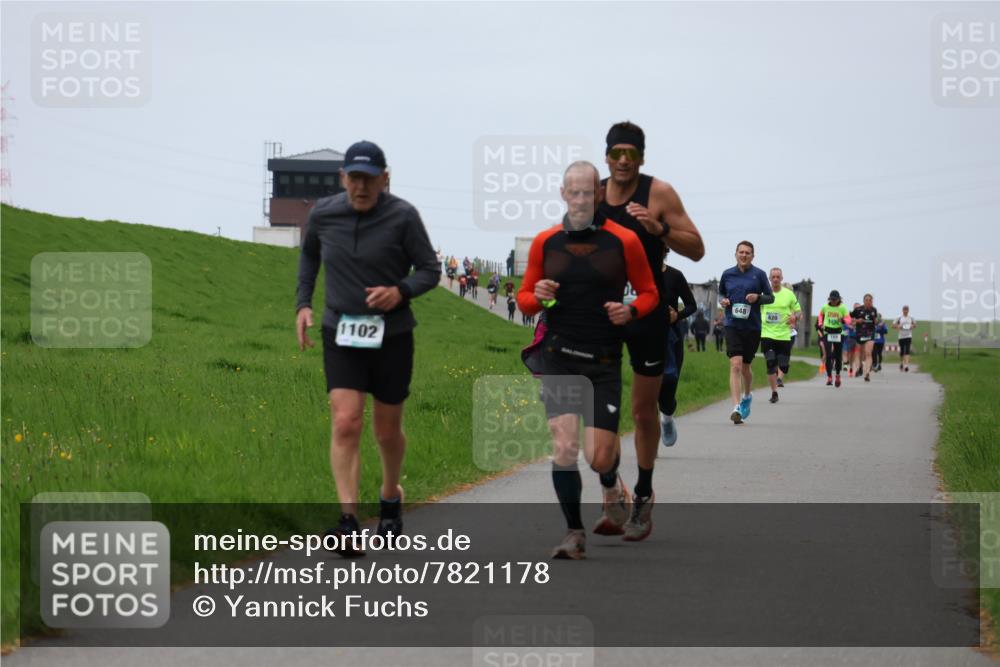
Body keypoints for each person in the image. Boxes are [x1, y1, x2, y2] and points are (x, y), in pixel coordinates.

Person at [296, 140, 439, 557]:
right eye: (354, 178)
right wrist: (303, 305)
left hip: (392, 337)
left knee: (386, 430)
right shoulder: (323, 214)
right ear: (343, 178)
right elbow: (309, 258)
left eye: (369, 179)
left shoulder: (403, 216)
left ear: (385, 179)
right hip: (340, 332)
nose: (361, 187)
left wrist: (400, 292)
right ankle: (348, 521)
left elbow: (429, 269)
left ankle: (391, 495)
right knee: (346, 422)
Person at [518, 161, 659, 559]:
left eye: (587, 192)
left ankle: (611, 481)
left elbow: (649, 293)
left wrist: (630, 312)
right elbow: (525, 299)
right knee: (564, 447)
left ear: (599, 195)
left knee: (597, 457)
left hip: (603, 361)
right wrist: (539, 294)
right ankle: (573, 533)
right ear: (563, 194)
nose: (580, 199)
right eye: (572, 192)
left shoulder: (624, 241)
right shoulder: (546, 242)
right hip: (558, 357)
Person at [595, 121, 705, 541]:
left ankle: (642, 492)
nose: (624, 160)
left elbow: (696, 248)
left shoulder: (659, 193)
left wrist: (659, 228)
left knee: (642, 411)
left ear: (641, 157)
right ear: (607, 155)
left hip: (648, 312)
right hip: (603, 314)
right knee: (599, 408)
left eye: (632, 153)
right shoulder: (593, 194)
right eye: (617, 152)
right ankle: (611, 485)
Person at [718, 241, 773, 424]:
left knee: (746, 367)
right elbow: (721, 295)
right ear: (735, 254)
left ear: (752, 256)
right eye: (741, 252)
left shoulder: (759, 275)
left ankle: (748, 395)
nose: (744, 255)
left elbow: (770, 297)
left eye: (747, 253)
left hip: (752, 327)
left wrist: (758, 298)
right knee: (735, 364)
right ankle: (736, 406)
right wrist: (723, 301)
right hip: (732, 325)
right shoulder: (727, 274)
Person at [658, 253, 697, 447]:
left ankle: (666, 419)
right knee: (647, 389)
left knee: (669, 383)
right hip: (645, 339)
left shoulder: (675, 275)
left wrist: (677, 316)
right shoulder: (638, 274)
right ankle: (647, 438)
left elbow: (692, 305)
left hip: (671, 339)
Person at [759, 268, 802, 403]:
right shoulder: (764, 294)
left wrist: (794, 318)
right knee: (770, 363)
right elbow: (755, 311)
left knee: (783, 366)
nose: (776, 279)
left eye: (778, 277)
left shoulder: (789, 294)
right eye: (773, 277)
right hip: (767, 334)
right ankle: (774, 392)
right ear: (770, 279)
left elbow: (799, 312)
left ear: (781, 278)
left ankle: (782, 371)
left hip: (784, 335)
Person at [818, 290, 850, 387]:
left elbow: (848, 320)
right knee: (828, 355)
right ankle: (829, 377)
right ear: (829, 299)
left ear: (838, 299)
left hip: (838, 332)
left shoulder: (843, 307)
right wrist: (820, 323)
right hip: (828, 331)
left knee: (838, 355)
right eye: (832, 299)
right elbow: (820, 314)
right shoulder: (825, 307)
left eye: (835, 300)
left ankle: (838, 375)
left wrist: (843, 320)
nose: (833, 301)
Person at [851, 294, 879, 382]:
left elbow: (875, 321)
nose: (868, 302)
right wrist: (856, 321)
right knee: (858, 353)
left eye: (870, 300)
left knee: (868, 353)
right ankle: (859, 367)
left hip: (870, 333)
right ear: (863, 301)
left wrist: (876, 321)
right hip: (860, 333)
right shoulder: (858, 310)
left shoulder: (874, 310)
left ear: (872, 301)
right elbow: (849, 319)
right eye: (866, 300)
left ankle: (867, 373)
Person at [893, 305, 917, 371]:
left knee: (907, 350)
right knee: (902, 351)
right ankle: (902, 362)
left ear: (908, 311)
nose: (905, 311)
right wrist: (898, 326)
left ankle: (906, 365)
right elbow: (893, 325)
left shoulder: (911, 317)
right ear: (902, 310)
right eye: (904, 310)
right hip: (901, 336)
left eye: (907, 310)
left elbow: (915, 325)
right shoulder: (899, 317)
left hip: (908, 335)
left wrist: (912, 326)